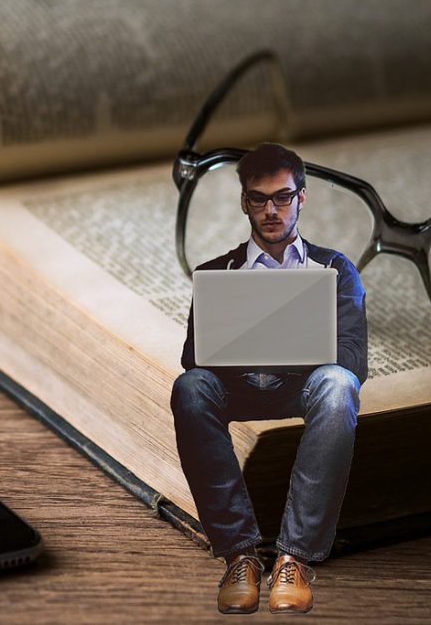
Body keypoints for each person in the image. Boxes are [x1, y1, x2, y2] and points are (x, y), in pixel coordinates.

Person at [172, 142, 368, 615]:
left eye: (282, 197)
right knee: (191, 390)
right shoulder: (216, 272)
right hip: (239, 386)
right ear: (244, 203)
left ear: (302, 197)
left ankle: (294, 558)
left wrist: (286, 345)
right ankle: (240, 555)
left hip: (303, 385)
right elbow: (193, 357)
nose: (271, 210)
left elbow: (354, 358)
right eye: (259, 199)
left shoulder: (335, 269)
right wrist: (245, 342)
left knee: (339, 385)